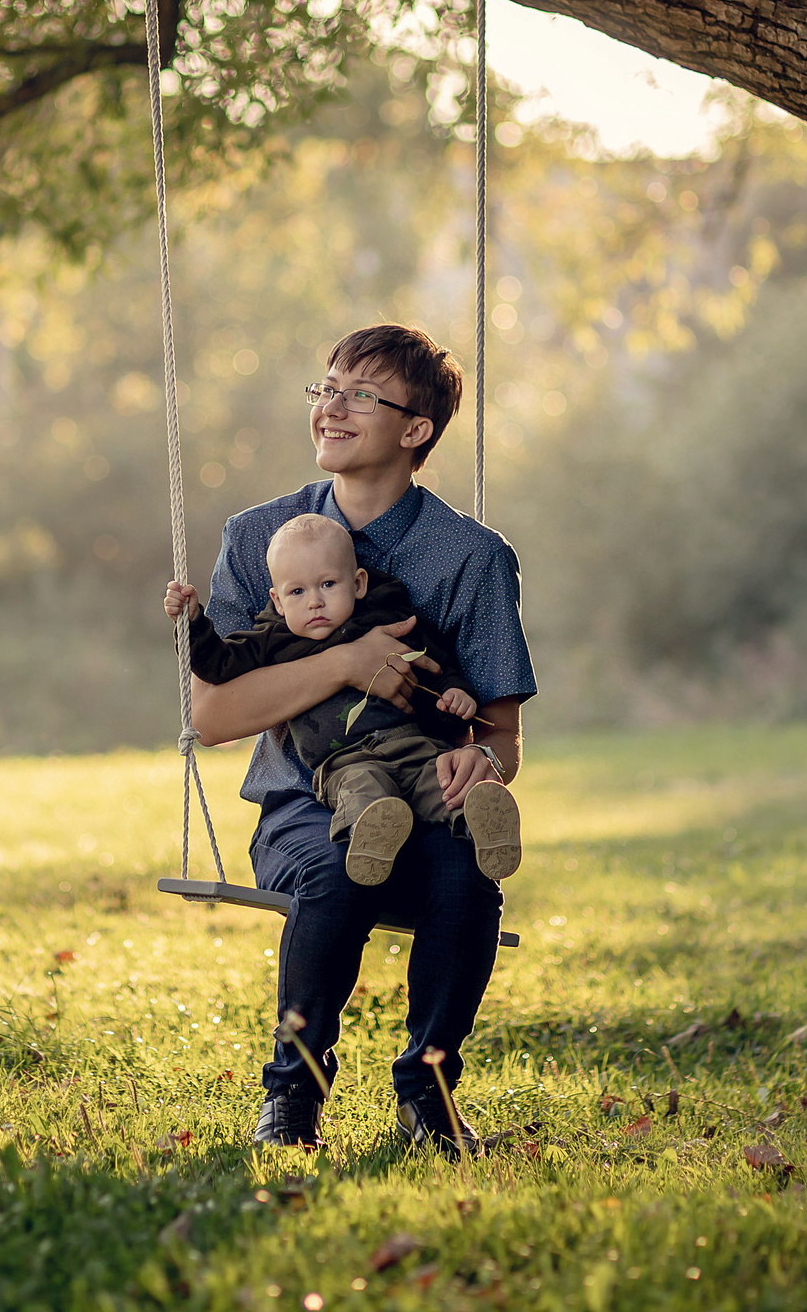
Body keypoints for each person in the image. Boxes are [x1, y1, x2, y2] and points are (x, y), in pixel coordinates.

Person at [183, 322, 535, 1156]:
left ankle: (430, 1090)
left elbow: (506, 735)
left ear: (415, 431)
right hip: (305, 800)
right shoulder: (260, 538)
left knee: (468, 877)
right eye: (325, 386)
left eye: (359, 394)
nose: (330, 406)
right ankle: (293, 1097)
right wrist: (348, 662)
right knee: (337, 872)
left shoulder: (470, 556)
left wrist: (480, 757)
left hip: (424, 790)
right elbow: (215, 718)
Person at [165, 513, 523, 886]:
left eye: (328, 584)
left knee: (445, 790)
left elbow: (433, 661)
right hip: (343, 760)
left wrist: (455, 694)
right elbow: (218, 664)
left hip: (413, 746)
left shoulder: (387, 619)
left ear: (358, 583)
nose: (315, 602)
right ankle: (373, 838)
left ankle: (485, 826)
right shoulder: (273, 640)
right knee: (362, 791)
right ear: (279, 600)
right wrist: (192, 623)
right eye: (297, 592)